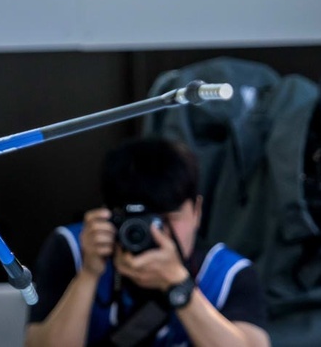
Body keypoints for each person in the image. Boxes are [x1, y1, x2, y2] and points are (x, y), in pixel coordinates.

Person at [25, 137, 270, 347]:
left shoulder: (226, 273)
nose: (154, 234)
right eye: (138, 222)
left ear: (196, 210)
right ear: (106, 212)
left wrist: (178, 286)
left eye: (167, 219)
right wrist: (89, 274)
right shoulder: (73, 248)